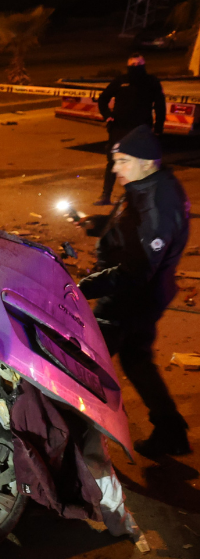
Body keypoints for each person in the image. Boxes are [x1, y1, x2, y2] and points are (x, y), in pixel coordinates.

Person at [78, 126, 191, 458]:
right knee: (137, 360)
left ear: (147, 162)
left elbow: (137, 269)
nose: (115, 169)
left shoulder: (159, 202)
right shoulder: (145, 186)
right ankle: (172, 432)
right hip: (141, 297)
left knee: (84, 366)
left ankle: (74, 443)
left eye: (123, 161)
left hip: (128, 301)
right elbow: (131, 231)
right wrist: (101, 225)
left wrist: (82, 288)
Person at [95, 53, 165, 205]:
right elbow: (103, 98)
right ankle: (105, 195)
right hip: (119, 128)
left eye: (138, 65)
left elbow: (160, 105)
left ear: (143, 66)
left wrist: (158, 128)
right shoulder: (121, 81)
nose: (135, 68)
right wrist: (107, 115)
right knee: (113, 161)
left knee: (140, 164)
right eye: (132, 65)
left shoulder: (151, 82)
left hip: (140, 129)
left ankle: (140, 198)